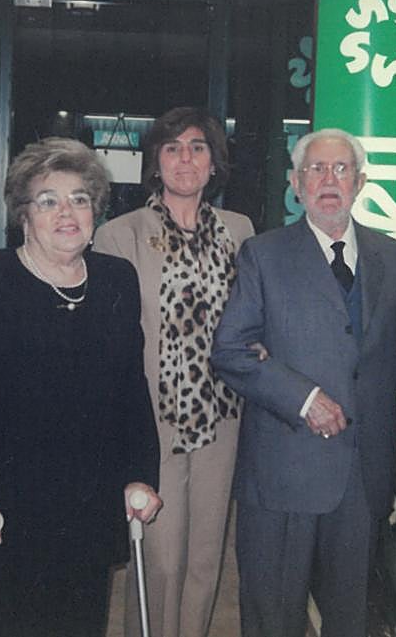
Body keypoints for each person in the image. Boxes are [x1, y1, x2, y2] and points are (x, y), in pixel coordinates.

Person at [0, 136, 162, 637]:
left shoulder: (115, 280)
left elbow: (131, 391)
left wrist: (142, 475)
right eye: (48, 200)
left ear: (96, 210)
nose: (66, 213)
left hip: (85, 511)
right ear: (23, 214)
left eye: (80, 199)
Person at [211, 128, 396, 637]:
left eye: (340, 169)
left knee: (350, 621)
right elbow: (229, 350)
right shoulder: (264, 253)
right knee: (274, 619)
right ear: (296, 185)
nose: (328, 180)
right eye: (315, 170)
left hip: (363, 476)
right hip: (284, 469)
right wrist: (303, 397)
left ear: (359, 182)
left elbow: (394, 351)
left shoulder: (393, 255)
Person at [92, 107, 254, 637]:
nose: (186, 158)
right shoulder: (120, 234)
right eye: (172, 148)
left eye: (198, 146)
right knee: (161, 561)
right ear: (155, 164)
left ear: (213, 163)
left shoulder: (240, 231)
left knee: (206, 559)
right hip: (152, 419)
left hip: (222, 417)